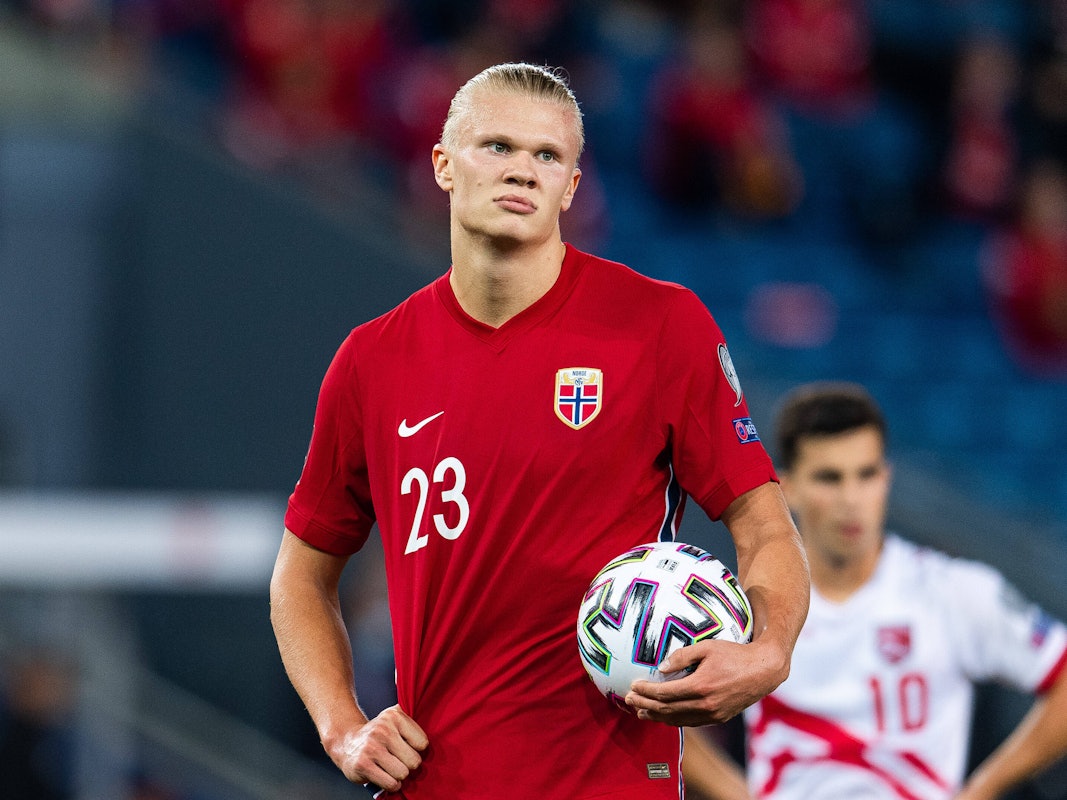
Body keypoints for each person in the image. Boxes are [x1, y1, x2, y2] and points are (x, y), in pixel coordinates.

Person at [269, 62, 810, 799]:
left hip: (610, 784)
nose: (522, 170)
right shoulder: (372, 360)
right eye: (496, 146)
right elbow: (301, 573)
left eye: (546, 156)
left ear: (572, 188)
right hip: (435, 786)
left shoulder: (660, 326)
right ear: (442, 166)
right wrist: (342, 725)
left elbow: (765, 526)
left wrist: (770, 650)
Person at [682, 382, 1067, 799]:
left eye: (865, 475)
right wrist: (735, 793)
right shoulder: (747, 606)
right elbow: (648, 693)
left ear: (886, 479)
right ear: (786, 489)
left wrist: (983, 789)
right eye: (829, 478)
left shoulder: (953, 591)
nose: (851, 499)